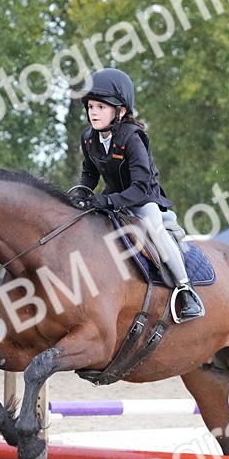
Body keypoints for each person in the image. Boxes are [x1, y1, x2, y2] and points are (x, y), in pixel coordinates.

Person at [73, 67, 204, 322]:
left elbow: (141, 186)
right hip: (113, 200)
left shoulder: (132, 138)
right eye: (90, 107)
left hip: (143, 199)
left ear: (120, 111)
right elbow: (89, 173)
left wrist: (107, 200)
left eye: (101, 107)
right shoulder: (88, 137)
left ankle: (185, 289)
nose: (93, 112)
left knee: (155, 231)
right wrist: (81, 193)